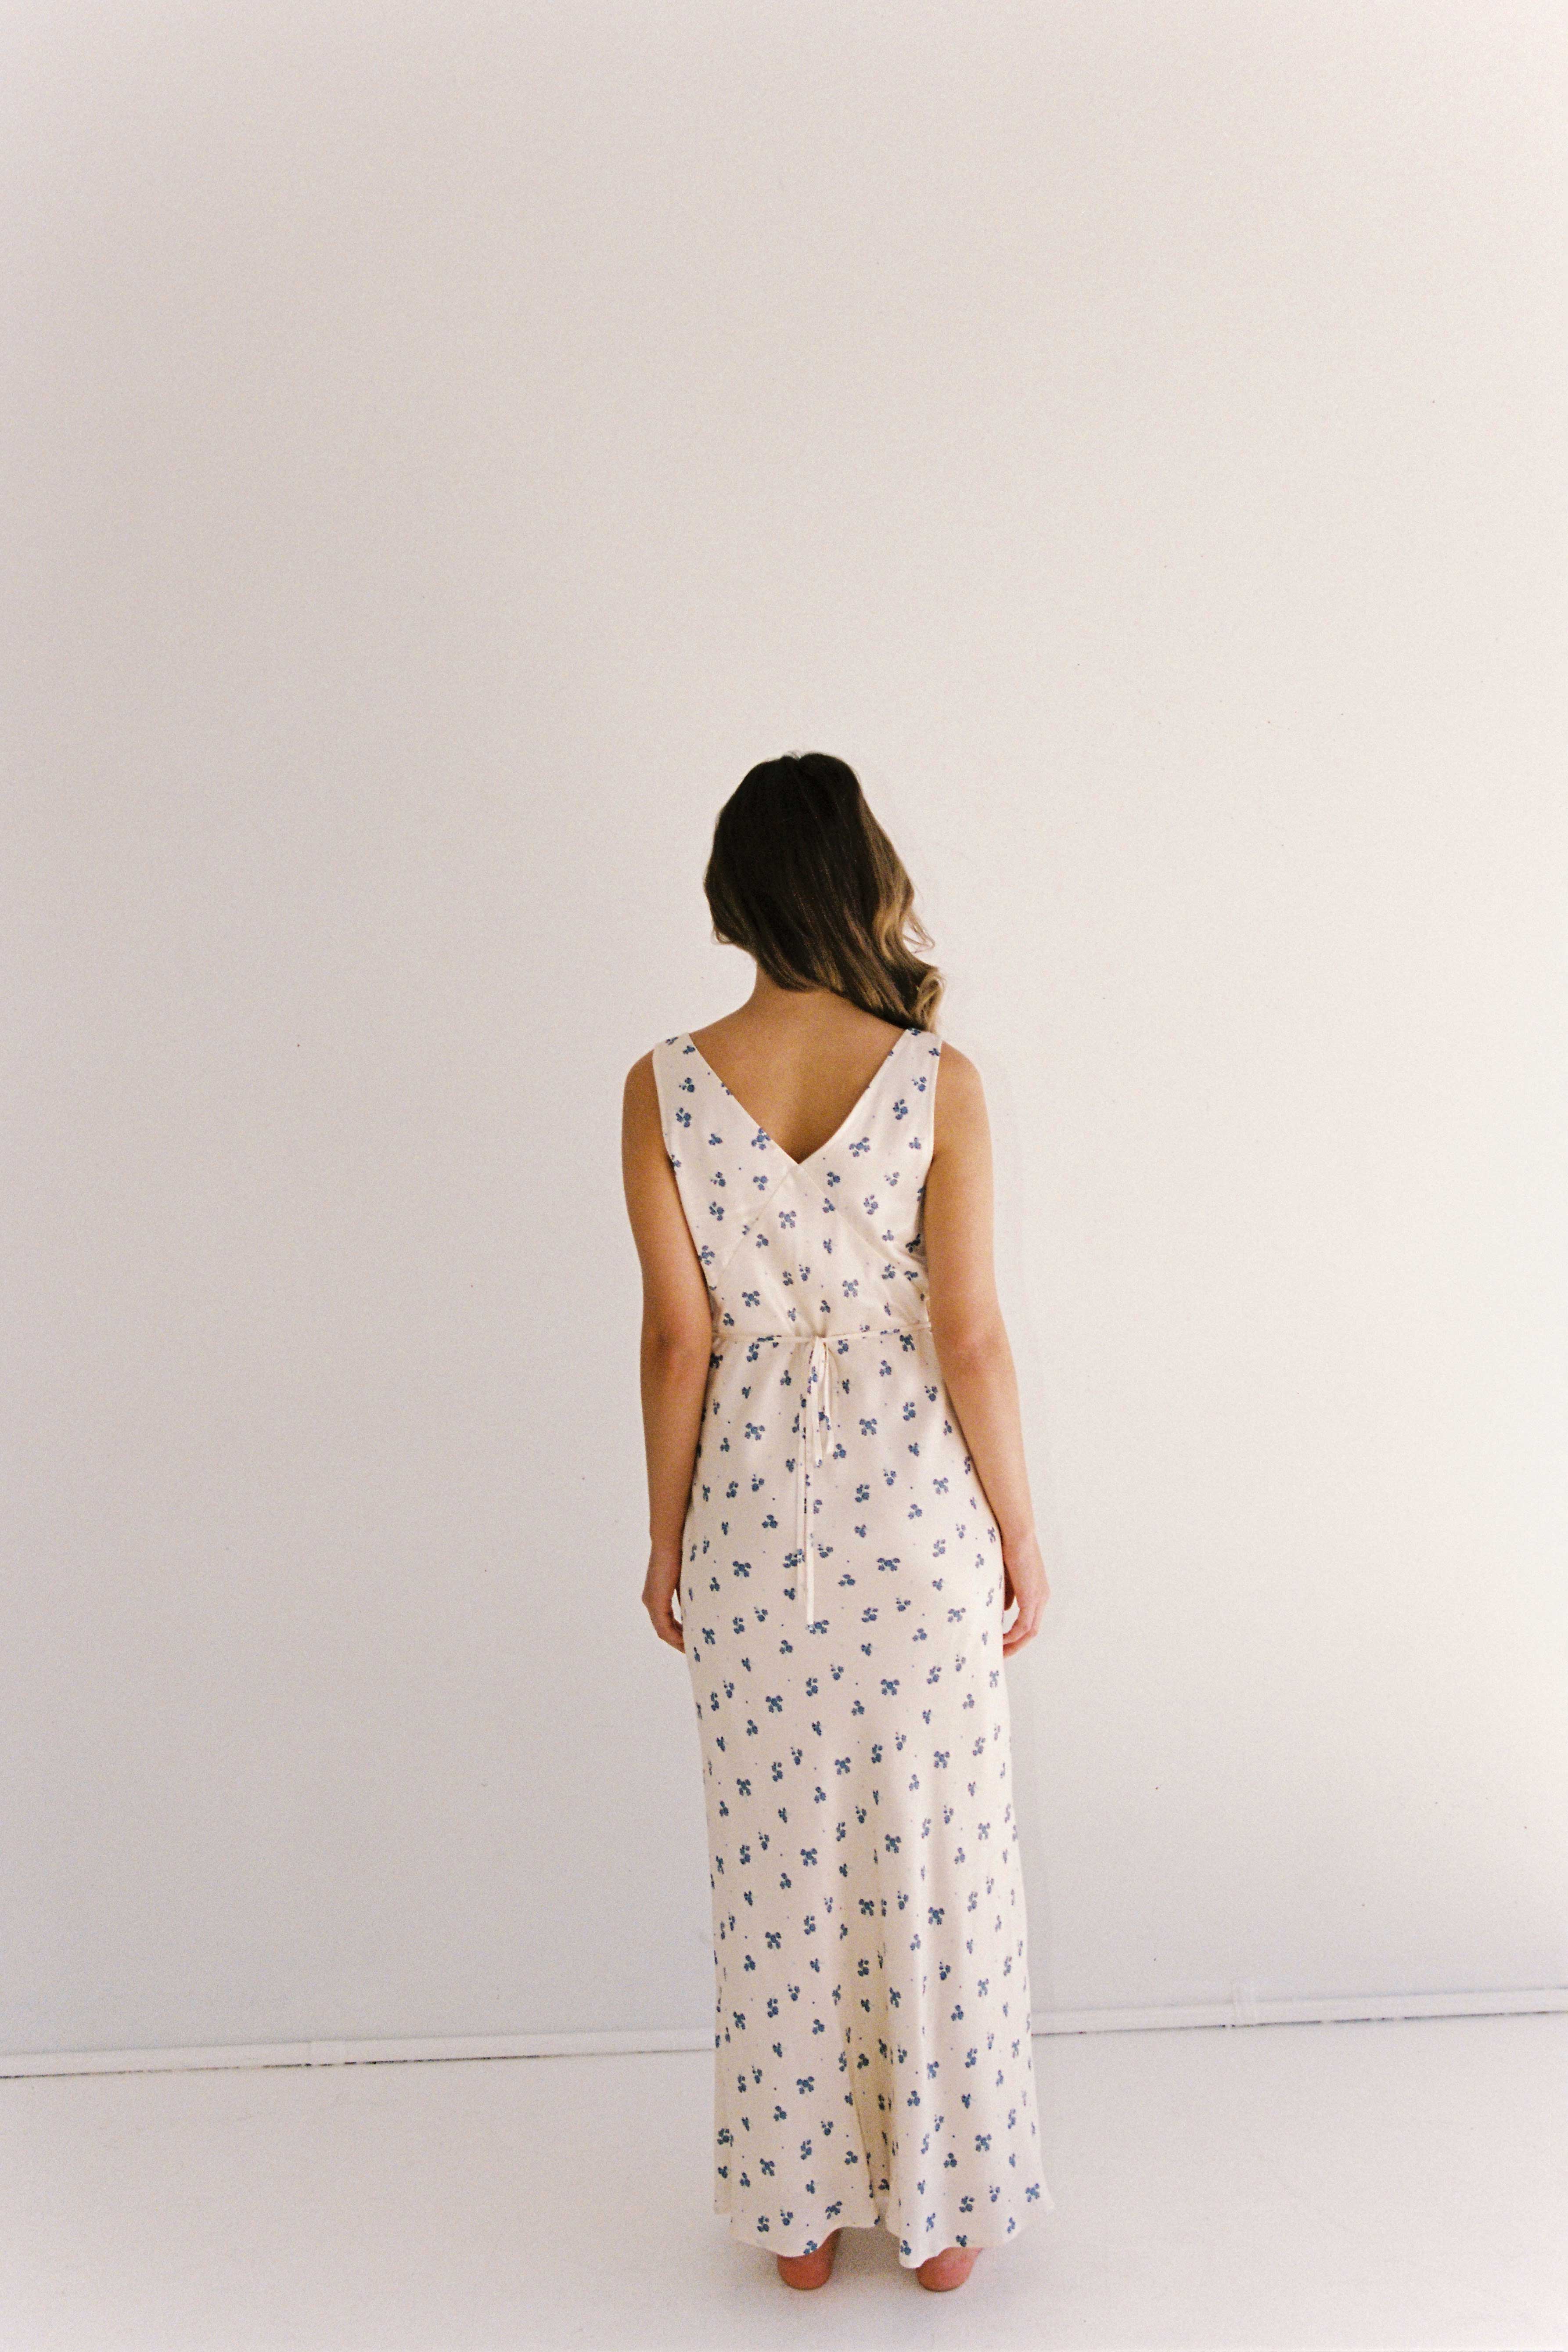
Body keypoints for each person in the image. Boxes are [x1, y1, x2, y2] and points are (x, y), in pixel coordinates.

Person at [621, 752, 1053, 2293]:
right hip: (916, 1512)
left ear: (737, 891)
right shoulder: (940, 1079)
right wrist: (1017, 1528)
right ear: (860, 875)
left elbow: (682, 1339)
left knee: (780, 1854)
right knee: (937, 1849)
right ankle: (941, 2224)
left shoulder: (666, 1081)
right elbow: (975, 1336)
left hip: (751, 1517)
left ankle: (798, 2225)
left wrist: (667, 1539)